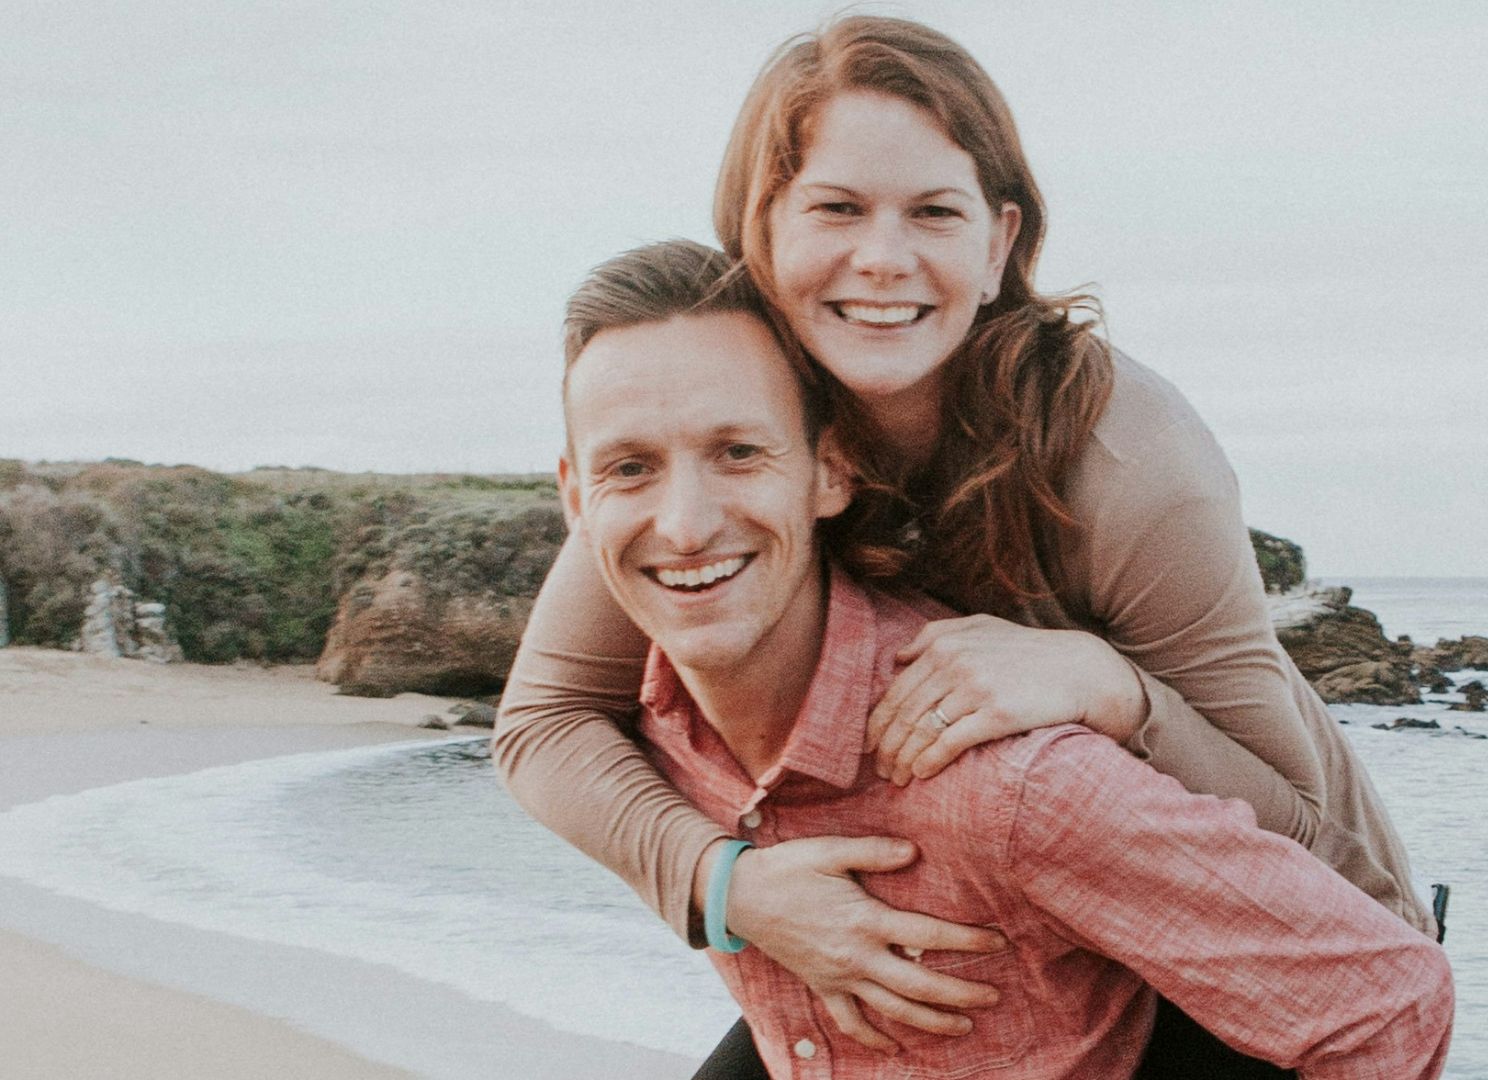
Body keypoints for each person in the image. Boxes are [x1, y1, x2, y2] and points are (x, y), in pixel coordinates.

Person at [494, 13, 1439, 1073]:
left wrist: (1109, 686)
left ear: (998, 245)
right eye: (837, 208)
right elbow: (544, 722)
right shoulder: (722, 437)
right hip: (1012, 919)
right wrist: (732, 887)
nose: (882, 259)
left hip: (1276, 960)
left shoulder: (1124, 458)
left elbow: (1303, 830)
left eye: (934, 212)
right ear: (758, 232)